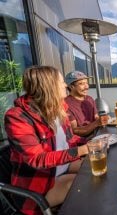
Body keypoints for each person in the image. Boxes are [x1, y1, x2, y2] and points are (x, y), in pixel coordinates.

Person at [4, 66, 89, 215]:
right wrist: (82, 150)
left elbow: (70, 139)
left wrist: (91, 142)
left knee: (95, 166)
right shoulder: (17, 117)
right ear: (48, 86)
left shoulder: (59, 108)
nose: (65, 85)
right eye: (62, 82)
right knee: (86, 184)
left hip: (61, 167)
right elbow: (37, 159)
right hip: (39, 186)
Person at [65, 71, 107, 138]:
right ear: (71, 86)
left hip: (97, 135)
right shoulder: (66, 104)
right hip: (83, 143)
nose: (86, 87)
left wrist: (102, 119)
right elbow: (74, 131)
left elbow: (96, 117)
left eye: (87, 83)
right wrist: (96, 123)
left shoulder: (89, 99)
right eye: (81, 84)